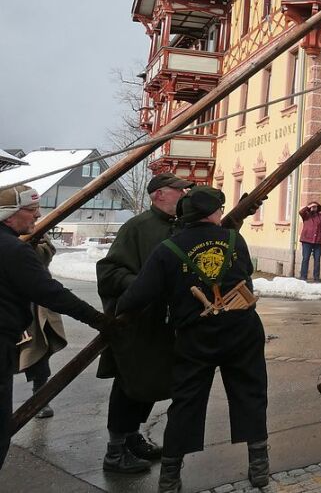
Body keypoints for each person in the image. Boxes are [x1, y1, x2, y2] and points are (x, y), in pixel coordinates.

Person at [116, 186, 269, 493]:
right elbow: (246, 274)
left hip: (195, 336)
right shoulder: (233, 238)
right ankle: (259, 465)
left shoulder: (167, 248)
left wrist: (119, 312)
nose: (221, 214)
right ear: (211, 213)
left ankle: (170, 476)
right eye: (218, 210)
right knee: (250, 393)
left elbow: (136, 297)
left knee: (187, 402)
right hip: (242, 329)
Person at [1, 184, 111, 471]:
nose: (37, 217)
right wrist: (97, 320)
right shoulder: (14, 250)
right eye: (31, 211)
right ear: (9, 215)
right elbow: (51, 293)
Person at [96, 172, 190, 474]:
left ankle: (132, 438)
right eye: (179, 191)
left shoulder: (181, 227)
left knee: (151, 383)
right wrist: (141, 284)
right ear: (159, 194)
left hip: (164, 325)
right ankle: (115, 451)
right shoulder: (137, 227)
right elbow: (109, 273)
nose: (184, 195)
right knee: (130, 383)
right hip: (136, 324)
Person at [18, 232, 67, 419]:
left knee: (39, 351)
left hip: (34, 302)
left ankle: (40, 399)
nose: (36, 215)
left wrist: (31, 244)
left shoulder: (35, 230)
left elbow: (44, 256)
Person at [298, 200, 321, 282]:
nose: (314, 208)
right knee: (305, 258)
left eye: (315, 207)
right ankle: (303, 277)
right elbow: (301, 212)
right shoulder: (306, 215)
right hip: (306, 240)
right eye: (313, 207)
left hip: (318, 241)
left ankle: (316, 277)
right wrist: (308, 207)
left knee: (317, 259)